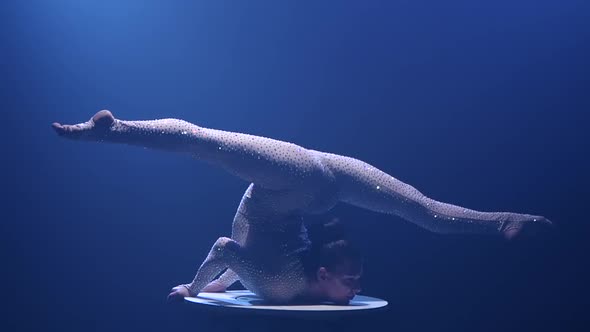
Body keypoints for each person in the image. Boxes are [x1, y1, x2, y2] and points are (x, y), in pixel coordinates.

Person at [52, 110, 551, 305]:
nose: (355, 289)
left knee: (423, 210)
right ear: (327, 272)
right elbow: (235, 253)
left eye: (352, 283)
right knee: (422, 209)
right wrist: (203, 284)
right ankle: (113, 131)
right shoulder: (286, 284)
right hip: (303, 182)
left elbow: (232, 251)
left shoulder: (284, 284)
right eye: (354, 283)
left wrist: (195, 288)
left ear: (325, 274)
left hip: (308, 183)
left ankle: (505, 223)